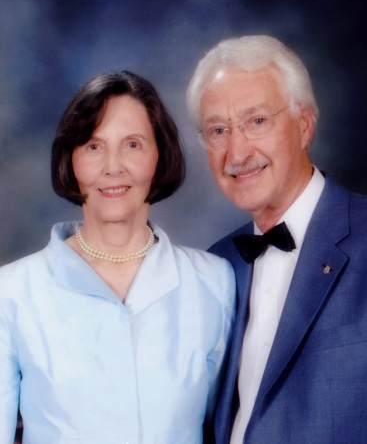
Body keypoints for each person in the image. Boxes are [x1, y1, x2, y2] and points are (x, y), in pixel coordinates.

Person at [0, 71, 236, 444]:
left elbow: (223, 430)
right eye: (93, 146)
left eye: (133, 145)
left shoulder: (214, 283)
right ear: (70, 159)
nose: (113, 166)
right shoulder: (11, 293)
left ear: (160, 155)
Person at [186, 35, 367, 443]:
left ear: (304, 124)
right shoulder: (217, 266)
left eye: (257, 121)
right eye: (218, 130)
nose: (237, 152)